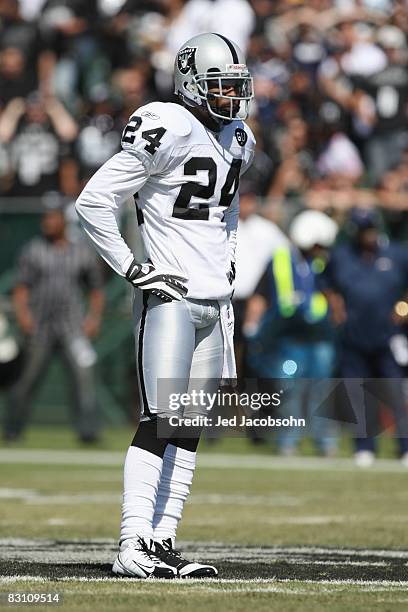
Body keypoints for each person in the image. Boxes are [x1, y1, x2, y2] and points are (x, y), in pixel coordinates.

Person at [75, 32, 255, 579]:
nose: (231, 98)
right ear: (192, 84)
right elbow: (94, 200)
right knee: (159, 420)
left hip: (213, 299)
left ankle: (163, 540)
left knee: (189, 425)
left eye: (236, 87)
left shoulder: (238, 137)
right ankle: (132, 544)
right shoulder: (167, 123)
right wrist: (133, 267)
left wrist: (227, 267)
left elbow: (227, 212)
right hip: (170, 294)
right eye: (221, 86)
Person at [3, 207, 105, 443]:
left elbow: (96, 289)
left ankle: (88, 432)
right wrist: (24, 316)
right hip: (40, 327)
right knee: (26, 380)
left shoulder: (81, 252)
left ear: (63, 221)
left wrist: (94, 318)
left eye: (52, 217)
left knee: (84, 377)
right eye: (45, 217)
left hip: (73, 326)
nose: (47, 222)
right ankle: (12, 429)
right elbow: (21, 288)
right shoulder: (33, 250)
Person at [245, 210, 338, 455]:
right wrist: (252, 326)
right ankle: (288, 441)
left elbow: (334, 294)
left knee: (321, 389)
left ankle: (325, 442)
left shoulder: (323, 263)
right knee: (289, 389)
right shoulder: (280, 259)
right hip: (289, 338)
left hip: (319, 337)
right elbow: (261, 294)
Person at [323, 208, 408, 467]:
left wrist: (403, 307)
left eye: (371, 229)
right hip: (353, 337)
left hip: (388, 337)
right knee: (357, 393)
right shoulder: (342, 256)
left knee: (395, 391)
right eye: (363, 230)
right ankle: (364, 446)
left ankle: (405, 447)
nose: (368, 235)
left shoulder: (397, 254)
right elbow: (326, 283)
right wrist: (335, 306)